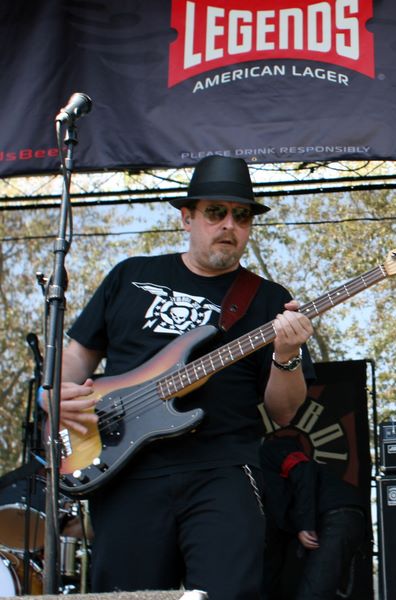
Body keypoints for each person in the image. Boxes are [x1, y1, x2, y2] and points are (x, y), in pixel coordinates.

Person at [45, 155, 315, 599]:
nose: (229, 225)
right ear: (186, 217)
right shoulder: (131, 276)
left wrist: (287, 356)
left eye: (242, 216)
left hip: (223, 469)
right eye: (216, 212)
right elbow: (75, 358)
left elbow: (284, 412)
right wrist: (51, 396)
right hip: (124, 468)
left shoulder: (268, 300)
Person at [260, 430, 367, 600]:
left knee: (313, 592)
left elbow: (303, 469)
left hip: (336, 513)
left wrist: (305, 524)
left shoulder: (270, 449)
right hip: (332, 517)